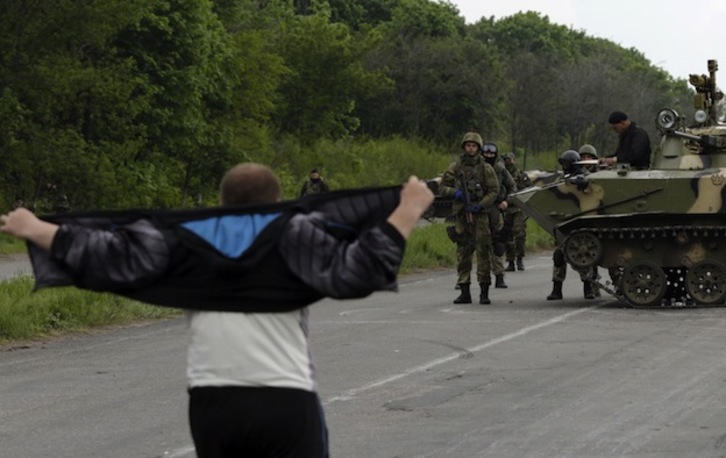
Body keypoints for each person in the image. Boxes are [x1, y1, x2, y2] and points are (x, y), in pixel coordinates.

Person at [0, 163, 434, 458]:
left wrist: (36, 228)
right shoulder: (294, 231)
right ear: (278, 200)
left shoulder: (184, 239)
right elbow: (358, 268)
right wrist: (408, 209)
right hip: (284, 399)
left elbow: (109, 253)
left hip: (213, 405)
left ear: (221, 202)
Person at [440, 132, 499, 304]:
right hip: (462, 216)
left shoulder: (485, 168)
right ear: (464, 147)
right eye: (468, 145)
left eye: (474, 146)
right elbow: (443, 187)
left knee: (483, 253)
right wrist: (455, 193)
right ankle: (464, 289)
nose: (471, 148)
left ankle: (484, 291)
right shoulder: (456, 167)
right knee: (463, 253)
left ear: (478, 148)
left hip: (480, 216)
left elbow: (494, 191)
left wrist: (481, 204)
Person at [546, 150, 599, 301]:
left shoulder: (583, 175)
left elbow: (586, 183)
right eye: (563, 163)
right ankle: (557, 289)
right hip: (565, 220)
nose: (564, 166)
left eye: (567, 163)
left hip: (582, 220)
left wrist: (579, 180)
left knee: (585, 255)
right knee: (559, 256)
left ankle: (588, 287)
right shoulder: (564, 177)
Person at [481, 142, 515, 288]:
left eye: (491, 154)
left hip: (496, 208)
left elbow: (512, 186)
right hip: (479, 209)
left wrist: (507, 201)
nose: (488, 156)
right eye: (486, 153)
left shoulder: (500, 170)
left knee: (497, 243)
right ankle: (466, 278)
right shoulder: (477, 168)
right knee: (475, 244)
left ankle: (499, 276)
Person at [502, 152, 531, 272]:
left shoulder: (521, 175)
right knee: (507, 235)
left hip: (519, 207)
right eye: (506, 160)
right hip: (505, 207)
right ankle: (510, 260)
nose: (509, 162)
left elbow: (529, 188)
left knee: (519, 232)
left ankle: (519, 258)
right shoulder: (501, 175)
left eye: (510, 159)